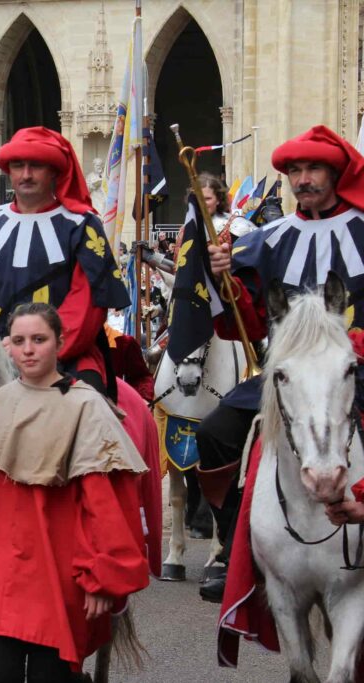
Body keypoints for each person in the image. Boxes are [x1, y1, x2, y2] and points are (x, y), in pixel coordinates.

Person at [0, 303, 149, 682]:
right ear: (8, 345)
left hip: (54, 573)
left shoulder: (85, 406)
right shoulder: (2, 400)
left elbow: (105, 504)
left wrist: (102, 577)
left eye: (39, 340)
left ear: (59, 343)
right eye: (19, 340)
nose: (28, 349)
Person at [196, 125, 364, 602]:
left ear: (335, 173)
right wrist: (225, 283)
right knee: (213, 433)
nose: (303, 179)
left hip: (356, 370)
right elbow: (247, 326)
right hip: (284, 374)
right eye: (294, 171)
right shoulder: (269, 239)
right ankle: (232, 546)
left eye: (312, 169)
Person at [0, 127, 130, 396]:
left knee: (93, 409)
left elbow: (86, 306)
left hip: (65, 355)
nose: (25, 174)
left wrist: (30, 348)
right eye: (18, 165)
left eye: (35, 166)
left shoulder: (82, 225)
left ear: (54, 172)